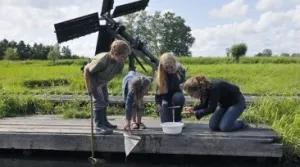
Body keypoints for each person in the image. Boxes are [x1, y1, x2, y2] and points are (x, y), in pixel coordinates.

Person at [84, 40, 131, 135]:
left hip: (102, 81)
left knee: (105, 100)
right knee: (99, 101)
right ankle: (99, 126)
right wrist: (89, 87)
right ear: (114, 53)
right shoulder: (102, 60)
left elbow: (110, 75)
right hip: (94, 80)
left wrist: (102, 84)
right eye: (123, 57)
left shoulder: (120, 63)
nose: (125, 59)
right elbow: (86, 70)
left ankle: (105, 123)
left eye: (126, 57)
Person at [182, 75, 248, 132]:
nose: (191, 97)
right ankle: (228, 120)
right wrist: (193, 109)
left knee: (224, 127)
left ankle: (242, 123)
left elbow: (211, 109)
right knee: (213, 126)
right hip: (224, 105)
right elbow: (204, 105)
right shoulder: (204, 90)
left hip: (237, 102)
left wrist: (196, 113)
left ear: (198, 89)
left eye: (191, 94)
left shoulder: (213, 88)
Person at [155, 52, 186, 124]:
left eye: (171, 67)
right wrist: (158, 104)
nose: (169, 70)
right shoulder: (160, 74)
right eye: (166, 68)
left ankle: (178, 118)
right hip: (165, 99)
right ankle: (166, 113)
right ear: (162, 66)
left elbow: (178, 88)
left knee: (179, 97)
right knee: (166, 122)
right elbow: (158, 94)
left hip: (177, 96)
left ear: (174, 63)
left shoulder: (181, 70)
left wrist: (174, 74)